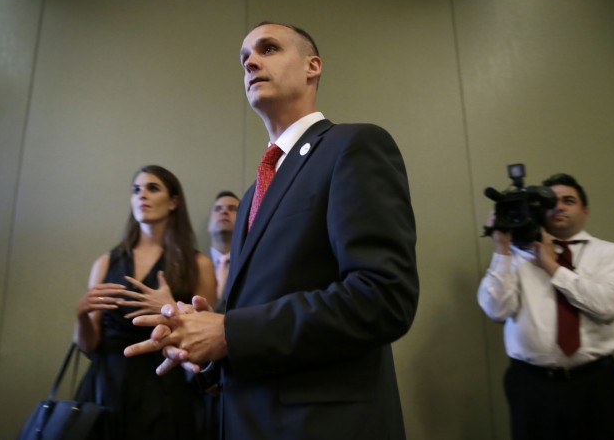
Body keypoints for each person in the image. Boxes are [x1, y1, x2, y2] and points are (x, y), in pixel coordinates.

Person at [125, 22, 419, 440]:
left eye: (269, 48)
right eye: (245, 57)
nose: (251, 62)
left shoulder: (352, 147)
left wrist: (230, 332)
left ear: (312, 67)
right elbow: (246, 326)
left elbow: (384, 297)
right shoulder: (252, 196)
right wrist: (203, 340)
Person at [477, 173, 614, 440]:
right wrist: (501, 248)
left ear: (584, 211)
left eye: (568, 200)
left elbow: (607, 306)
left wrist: (552, 266)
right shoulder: (514, 258)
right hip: (532, 385)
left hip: (597, 383)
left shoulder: (610, 253)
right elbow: (496, 310)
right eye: (550, 202)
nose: (559, 207)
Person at [74, 165, 216, 440]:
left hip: (164, 390)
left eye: (153, 188)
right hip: (106, 386)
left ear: (174, 202)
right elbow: (88, 346)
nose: (142, 195)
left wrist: (171, 311)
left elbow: (204, 340)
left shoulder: (198, 264)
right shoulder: (107, 262)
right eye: (136, 190)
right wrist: (81, 314)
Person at [207, 190, 239, 308]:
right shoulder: (191, 266)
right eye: (217, 209)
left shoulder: (254, 268)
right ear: (209, 224)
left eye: (232, 208)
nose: (224, 211)